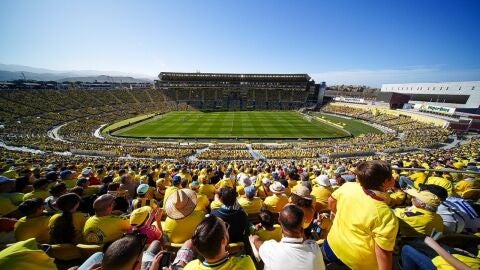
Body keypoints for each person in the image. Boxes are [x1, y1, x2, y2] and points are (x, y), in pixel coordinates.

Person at [324, 160, 398, 269]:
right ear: (384, 183)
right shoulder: (385, 214)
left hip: (331, 245)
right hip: (358, 263)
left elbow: (331, 201)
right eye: (391, 177)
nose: (394, 179)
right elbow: (383, 252)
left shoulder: (348, 187)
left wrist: (335, 214)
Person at [250, 204, 325, 270]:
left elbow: (257, 242)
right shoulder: (314, 247)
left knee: (252, 240)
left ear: (279, 221)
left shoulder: (271, 249)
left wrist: (255, 234)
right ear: (302, 229)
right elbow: (305, 241)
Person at [183, 215, 256, 270]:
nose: (227, 227)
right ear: (223, 241)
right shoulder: (245, 264)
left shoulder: (190, 267)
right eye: (226, 226)